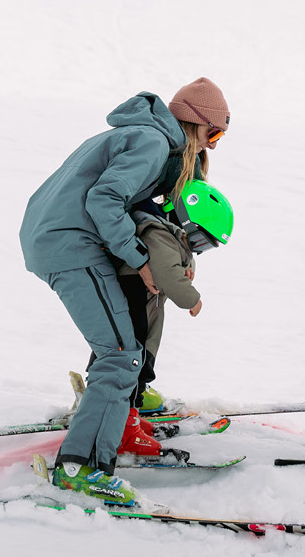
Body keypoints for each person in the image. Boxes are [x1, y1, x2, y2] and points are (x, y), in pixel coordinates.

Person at [19, 77, 230, 506]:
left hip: (62, 240)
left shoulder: (139, 134)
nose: (214, 145)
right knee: (121, 355)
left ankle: (103, 425)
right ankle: (80, 468)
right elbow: (104, 200)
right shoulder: (152, 143)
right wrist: (139, 260)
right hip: (70, 245)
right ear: (195, 123)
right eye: (214, 133)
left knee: (122, 343)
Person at [108, 180, 234, 456]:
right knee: (133, 359)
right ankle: (123, 430)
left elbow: (179, 254)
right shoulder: (159, 234)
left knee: (139, 360)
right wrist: (192, 298)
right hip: (136, 303)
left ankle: (128, 417)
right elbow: (166, 270)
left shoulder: (169, 235)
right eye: (199, 240)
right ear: (183, 221)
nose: (198, 249)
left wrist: (188, 261)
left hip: (145, 304)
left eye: (206, 247)